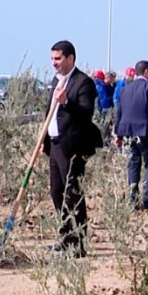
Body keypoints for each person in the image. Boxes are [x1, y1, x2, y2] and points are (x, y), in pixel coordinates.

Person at [43, 40, 99, 256]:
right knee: (57, 192)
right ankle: (65, 237)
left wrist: (67, 101)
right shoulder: (55, 81)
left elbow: (86, 113)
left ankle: (79, 242)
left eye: (58, 59)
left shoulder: (83, 83)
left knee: (72, 194)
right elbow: (50, 112)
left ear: (70, 58)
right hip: (55, 145)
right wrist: (45, 141)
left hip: (73, 147)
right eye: (52, 59)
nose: (54, 63)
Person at [113, 60, 148, 210]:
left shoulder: (125, 89)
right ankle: (147, 199)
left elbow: (119, 113)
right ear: (147, 71)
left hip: (128, 132)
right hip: (145, 132)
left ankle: (132, 197)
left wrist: (118, 134)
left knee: (133, 165)